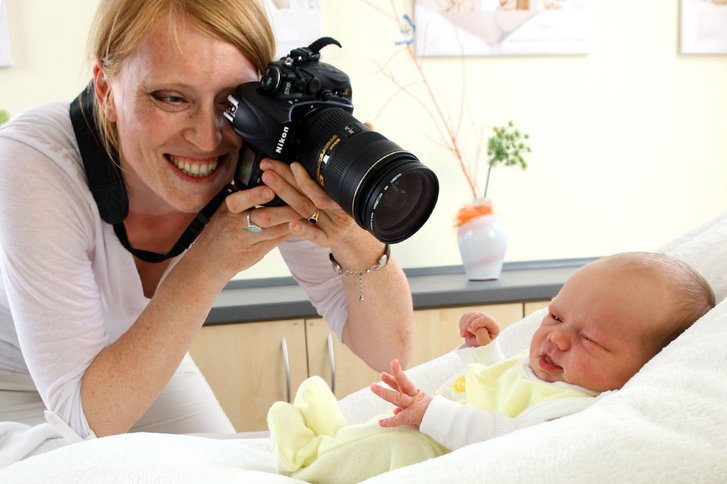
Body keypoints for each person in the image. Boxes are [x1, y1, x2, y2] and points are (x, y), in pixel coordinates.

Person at [0, 0, 414, 439]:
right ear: (105, 90)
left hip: (122, 361)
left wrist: (349, 231)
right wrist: (210, 260)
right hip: (17, 381)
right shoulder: (35, 160)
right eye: (171, 98)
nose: (207, 138)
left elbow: (389, 351)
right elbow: (82, 421)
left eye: (231, 101)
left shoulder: (259, 143)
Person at [267, 251, 716, 483]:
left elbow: (509, 439)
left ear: (641, 368)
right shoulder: (546, 374)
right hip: (434, 434)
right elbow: (503, 392)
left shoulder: (576, 410)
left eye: (589, 340)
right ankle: (331, 438)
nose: (556, 337)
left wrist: (433, 414)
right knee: (379, 437)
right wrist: (485, 354)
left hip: (442, 457)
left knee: (394, 451)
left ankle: (307, 461)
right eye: (556, 317)